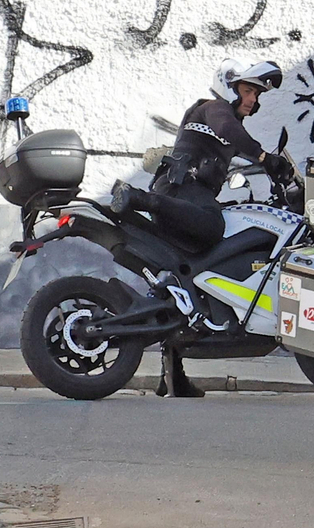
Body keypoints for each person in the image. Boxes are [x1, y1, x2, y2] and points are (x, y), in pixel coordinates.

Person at [111, 59, 292, 397]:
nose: (253, 99)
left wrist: (276, 172)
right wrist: (266, 158)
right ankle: (138, 198)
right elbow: (230, 130)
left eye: (256, 94)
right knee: (213, 226)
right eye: (249, 90)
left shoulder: (225, 129)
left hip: (188, 197)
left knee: (189, 280)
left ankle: (173, 377)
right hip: (181, 193)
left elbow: (234, 143)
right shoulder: (211, 109)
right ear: (229, 85)